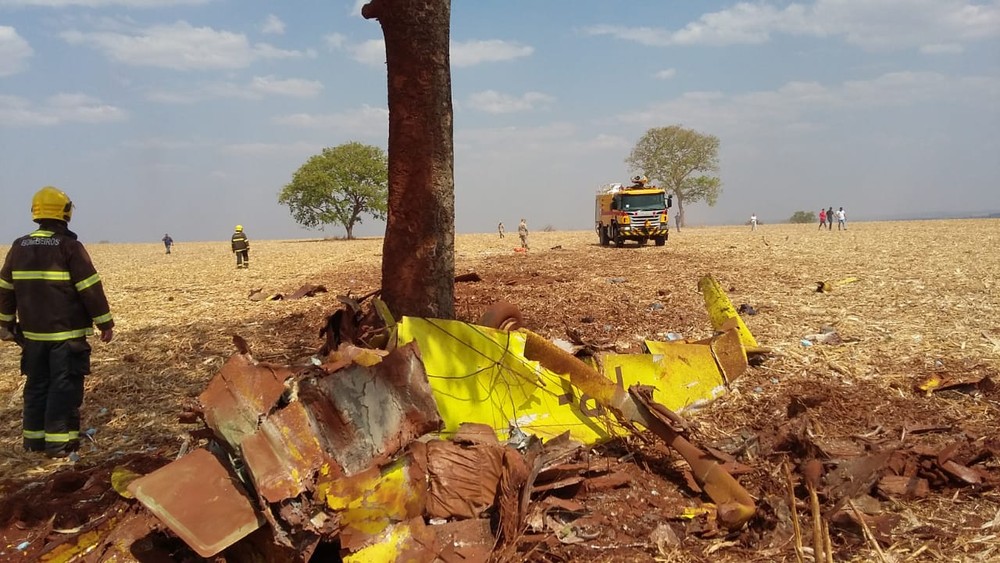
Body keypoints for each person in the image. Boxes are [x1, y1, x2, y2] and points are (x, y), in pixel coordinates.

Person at [0, 186, 114, 458]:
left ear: (35, 212)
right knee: (64, 388)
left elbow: (5, 289)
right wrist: (104, 322)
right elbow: (90, 288)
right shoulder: (69, 247)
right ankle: (59, 445)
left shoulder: (18, 246)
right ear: (65, 212)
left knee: (36, 387)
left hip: (32, 338)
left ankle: (33, 443)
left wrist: (6, 323)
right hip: (66, 337)